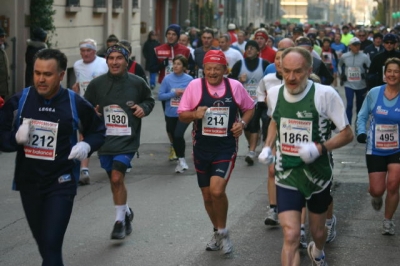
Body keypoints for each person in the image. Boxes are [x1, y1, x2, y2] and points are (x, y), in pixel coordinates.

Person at [0, 48, 106, 265]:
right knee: (44, 245)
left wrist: (86, 145)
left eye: (47, 74)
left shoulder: (74, 103)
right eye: (37, 73)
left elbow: (99, 131)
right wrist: (14, 139)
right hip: (29, 182)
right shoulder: (20, 101)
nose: (40, 79)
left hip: (61, 181)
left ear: (60, 75)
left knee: (51, 244)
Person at [258, 47, 353, 265]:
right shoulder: (274, 94)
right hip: (287, 173)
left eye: (298, 71)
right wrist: (267, 146)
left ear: (309, 70)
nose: (291, 77)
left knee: (318, 233)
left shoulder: (325, 94)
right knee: (291, 235)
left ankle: (318, 251)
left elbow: (348, 133)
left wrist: (320, 148)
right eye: (287, 71)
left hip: (317, 175)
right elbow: (275, 119)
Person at [178, 50, 255, 254]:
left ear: (224, 70)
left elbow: (249, 107)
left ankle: (223, 232)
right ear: (203, 69)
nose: (212, 72)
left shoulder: (234, 86)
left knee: (217, 191)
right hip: (201, 148)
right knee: (207, 196)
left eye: (216, 69)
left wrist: (243, 123)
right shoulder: (195, 86)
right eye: (208, 69)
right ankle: (217, 230)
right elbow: (182, 115)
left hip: (225, 147)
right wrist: (195, 113)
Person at [84, 43, 155, 239]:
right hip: (105, 140)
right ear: (107, 61)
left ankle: (119, 222)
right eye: (111, 58)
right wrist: (93, 112)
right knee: (115, 181)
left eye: (119, 58)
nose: (114, 62)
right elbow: (85, 107)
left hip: (127, 140)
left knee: (117, 177)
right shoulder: (96, 84)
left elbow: (149, 101)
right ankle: (126, 211)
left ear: (126, 61)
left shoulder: (137, 82)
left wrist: (143, 108)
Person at [357, 57, 400, 236]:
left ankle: (388, 221)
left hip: (397, 149)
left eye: (396, 71)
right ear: (384, 74)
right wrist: (361, 132)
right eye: (389, 71)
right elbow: (362, 116)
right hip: (375, 148)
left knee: (393, 185)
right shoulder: (374, 93)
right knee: (378, 189)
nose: (392, 74)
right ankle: (375, 195)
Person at [149, 24, 192, 161]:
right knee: (169, 122)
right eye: (169, 34)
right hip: (167, 86)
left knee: (182, 118)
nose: (171, 36)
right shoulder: (158, 49)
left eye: (174, 34)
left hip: (182, 86)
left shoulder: (185, 50)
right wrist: (163, 64)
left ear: (178, 36)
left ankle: (178, 143)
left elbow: (191, 66)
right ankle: (173, 145)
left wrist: (187, 71)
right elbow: (151, 67)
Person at [72, 38, 108, 185]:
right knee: (83, 136)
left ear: (94, 51)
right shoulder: (76, 65)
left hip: (103, 105)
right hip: (85, 106)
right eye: (82, 51)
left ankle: (113, 160)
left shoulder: (103, 63)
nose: (85, 54)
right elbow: (79, 81)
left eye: (88, 50)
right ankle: (84, 170)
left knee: (106, 134)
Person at [228, 40, 269, 165]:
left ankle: (251, 151)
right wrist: (239, 79)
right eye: (247, 48)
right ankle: (252, 143)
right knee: (246, 126)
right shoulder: (240, 64)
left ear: (258, 51)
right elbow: (230, 80)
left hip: (259, 101)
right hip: (243, 100)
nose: (249, 50)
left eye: (252, 48)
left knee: (254, 124)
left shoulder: (264, 64)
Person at [158, 55, 193, 173]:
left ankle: (182, 160)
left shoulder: (189, 79)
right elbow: (160, 95)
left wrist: (186, 94)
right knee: (174, 136)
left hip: (184, 113)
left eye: (178, 64)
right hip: (170, 113)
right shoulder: (167, 79)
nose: (175, 66)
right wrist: (174, 94)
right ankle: (179, 158)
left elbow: (195, 96)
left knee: (178, 135)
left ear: (184, 66)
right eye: (174, 64)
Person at [338, 37, 371, 125]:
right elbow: (339, 65)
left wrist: (366, 74)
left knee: (359, 106)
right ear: (350, 46)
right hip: (348, 84)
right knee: (349, 104)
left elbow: (370, 67)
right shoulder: (344, 56)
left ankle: (358, 123)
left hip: (361, 85)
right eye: (355, 45)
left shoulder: (364, 57)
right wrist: (342, 74)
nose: (357, 47)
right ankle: (348, 124)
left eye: (358, 45)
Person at [0, 27, 9, 99]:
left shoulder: (2, 50)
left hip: (3, 88)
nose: (3, 38)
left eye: (4, 36)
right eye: (1, 36)